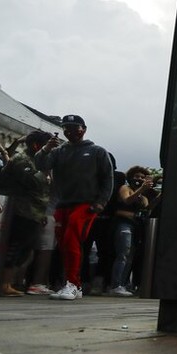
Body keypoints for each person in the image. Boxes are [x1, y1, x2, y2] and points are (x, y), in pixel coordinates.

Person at [34, 116, 114, 301]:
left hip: (86, 204)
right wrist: (46, 148)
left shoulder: (97, 151)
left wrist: (101, 202)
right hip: (62, 204)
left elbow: (107, 178)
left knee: (71, 240)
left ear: (83, 129)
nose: (69, 131)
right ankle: (73, 284)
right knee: (64, 244)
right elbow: (40, 165)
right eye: (65, 128)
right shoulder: (59, 151)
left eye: (73, 127)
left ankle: (72, 283)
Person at [0, 131, 53, 296]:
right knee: (14, 247)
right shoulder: (22, 160)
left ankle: (9, 282)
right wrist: (46, 174)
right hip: (20, 210)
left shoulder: (38, 161)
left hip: (33, 212)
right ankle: (4, 283)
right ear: (37, 145)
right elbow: (34, 182)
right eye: (48, 146)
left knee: (26, 249)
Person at [108, 166, 157, 296]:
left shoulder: (143, 196)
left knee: (130, 256)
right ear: (130, 177)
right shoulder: (125, 188)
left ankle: (123, 284)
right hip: (123, 224)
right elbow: (127, 200)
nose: (139, 179)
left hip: (136, 226)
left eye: (142, 177)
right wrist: (142, 189)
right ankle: (116, 284)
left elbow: (148, 208)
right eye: (137, 176)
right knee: (123, 253)